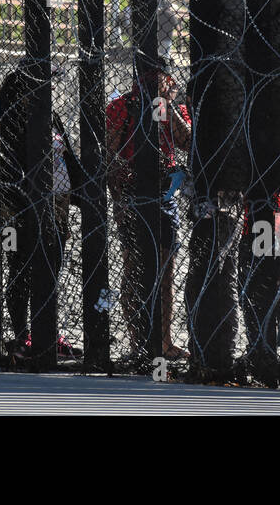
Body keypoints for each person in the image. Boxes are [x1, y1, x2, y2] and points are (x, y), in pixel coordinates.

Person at [0, 57, 83, 361]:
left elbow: (68, 158)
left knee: (50, 267)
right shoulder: (11, 117)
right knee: (21, 267)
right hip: (18, 207)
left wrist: (84, 195)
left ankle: (45, 331)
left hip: (56, 204)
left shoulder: (51, 116)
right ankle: (23, 335)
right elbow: (5, 166)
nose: (52, 86)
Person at [105, 54, 191, 360]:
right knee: (134, 267)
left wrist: (166, 103)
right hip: (131, 192)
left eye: (159, 79)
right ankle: (137, 342)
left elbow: (187, 142)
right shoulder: (121, 107)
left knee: (165, 269)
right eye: (148, 79)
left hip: (163, 191)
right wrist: (120, 181)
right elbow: (108, 154)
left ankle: (164, 342)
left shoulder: (170, 108)